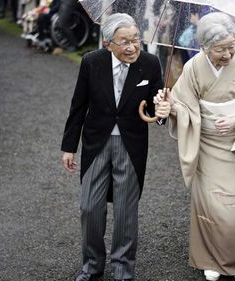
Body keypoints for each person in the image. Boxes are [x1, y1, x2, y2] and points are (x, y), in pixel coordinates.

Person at [154, 12, 235, 281]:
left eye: (232, 47)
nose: (228, 54)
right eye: (220, 50)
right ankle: (209, 259)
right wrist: (168, 105)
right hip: (205, 143)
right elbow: (181, 104)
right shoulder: (194, 67)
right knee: (209, 205)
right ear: (204, 47)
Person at [60, 13, 164, 281]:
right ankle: (92, 266)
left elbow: (156, 108)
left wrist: (163, 110)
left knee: (126, 211)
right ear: (108, 44)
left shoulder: (150, 64)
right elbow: (78, 106)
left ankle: (122, 270)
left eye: (136, 40)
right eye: (124, 42)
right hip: (97, 142)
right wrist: (69, 146)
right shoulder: (91, 62)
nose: (132, 47)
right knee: (89, 207)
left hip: (131, 144)